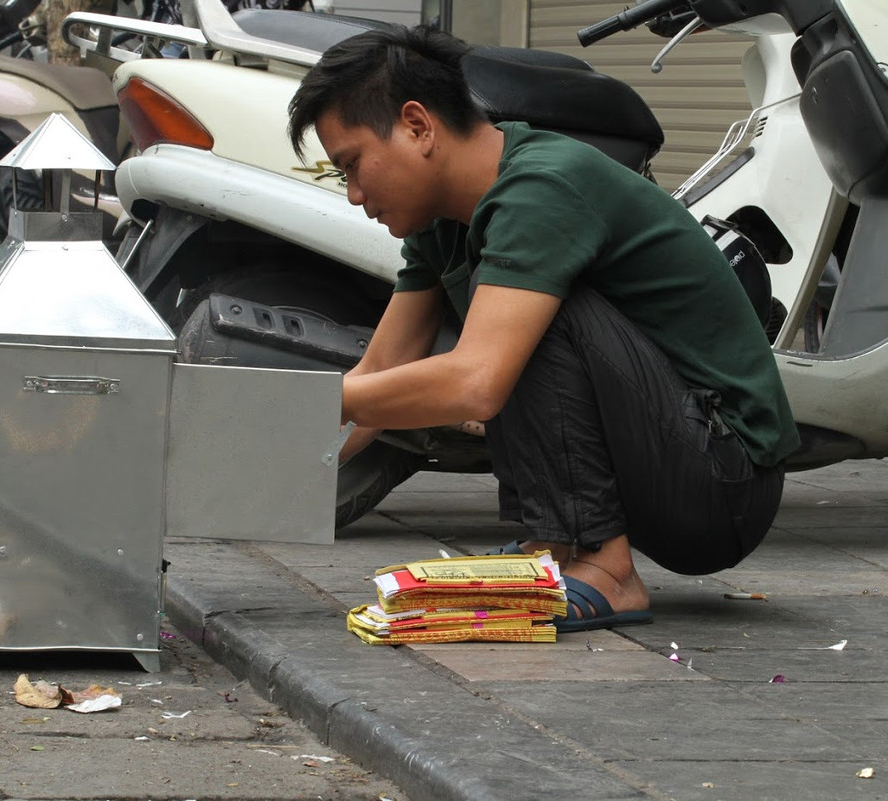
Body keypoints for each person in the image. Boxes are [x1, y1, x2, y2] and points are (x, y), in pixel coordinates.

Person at [286, 25, 800, 632]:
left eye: (353, 165)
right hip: (665, 457)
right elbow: (379, 376)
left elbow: (477, 382)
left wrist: (305, 401)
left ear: (418, 126)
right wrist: (274, 480)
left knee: (524, 322)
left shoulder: (542, 188)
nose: (352, 194)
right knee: (504, 321)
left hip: (723, 481)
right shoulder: (442, 219)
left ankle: (605, 571)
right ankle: (558, 552)